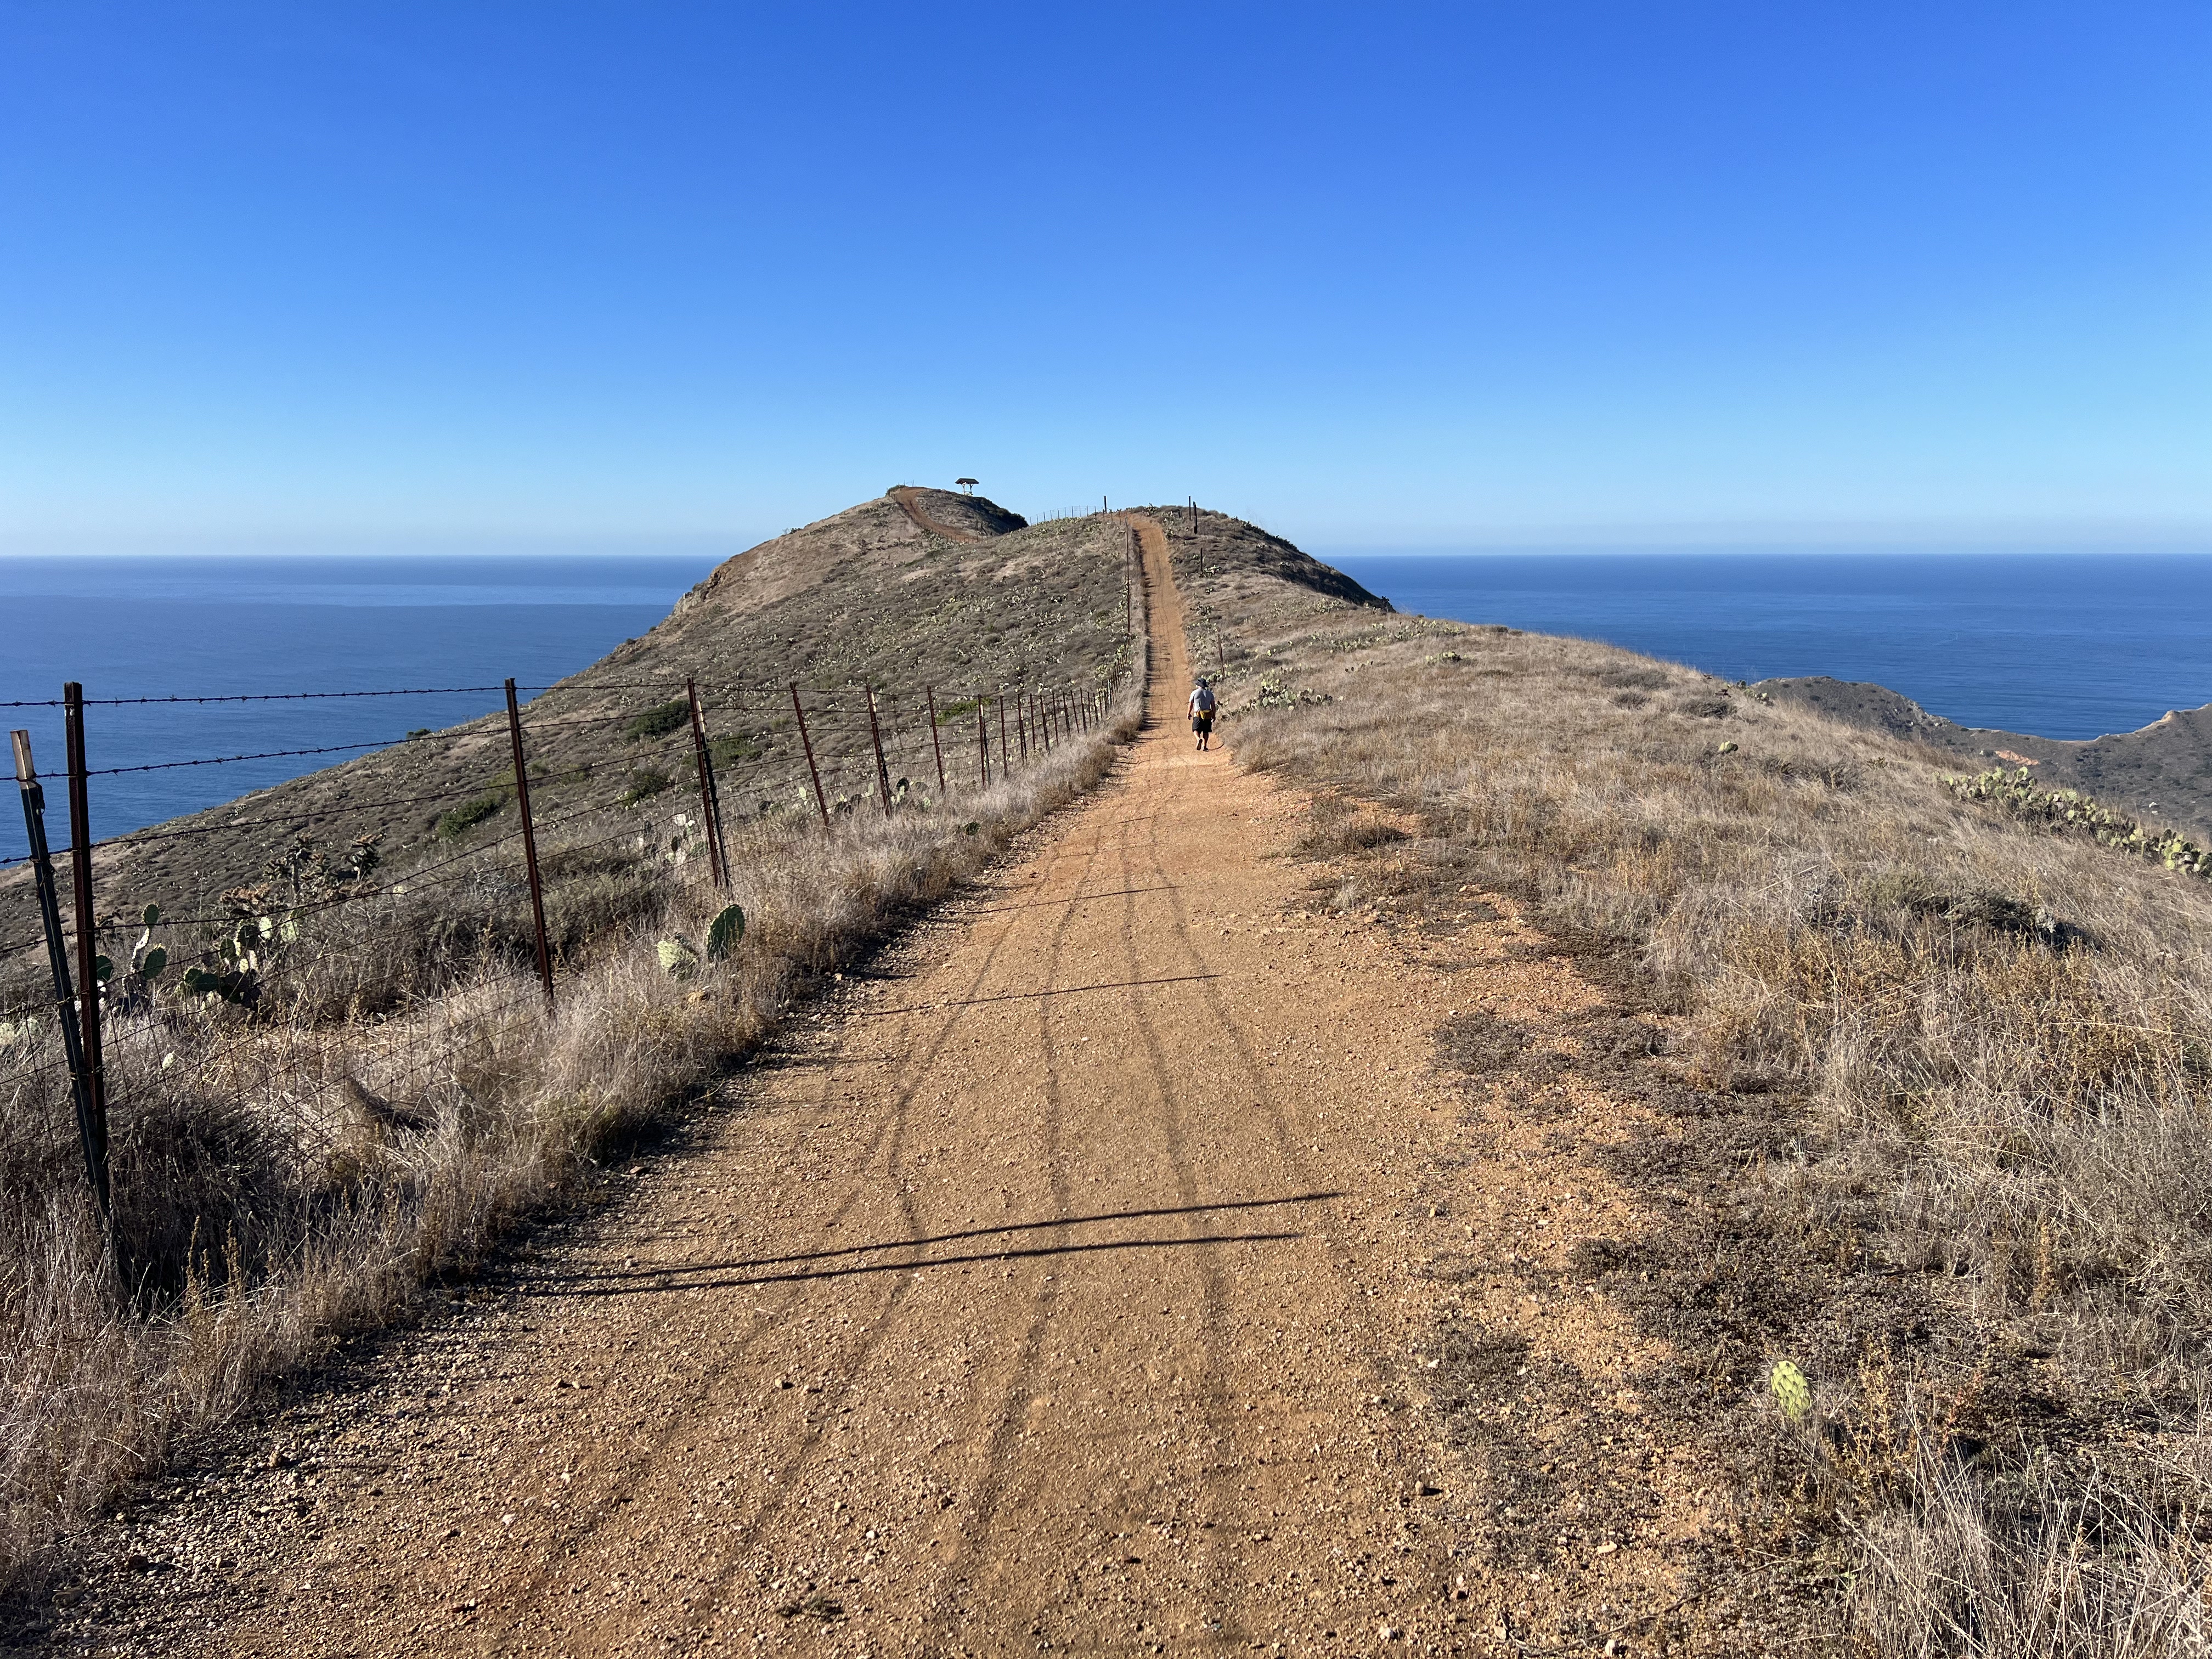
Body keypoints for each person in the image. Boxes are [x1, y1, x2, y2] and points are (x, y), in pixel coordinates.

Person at [1188, 675, 1217, 751]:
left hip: (1198, 714)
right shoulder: (1210, 694)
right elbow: (1213, 705)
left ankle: (1198, 739)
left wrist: (1188, 713)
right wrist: (1214, 715)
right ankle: (1205, 746)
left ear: (1198, 685)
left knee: (1195, 730)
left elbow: (1191, 704)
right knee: (1206, 731)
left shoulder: (1194, 693)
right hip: (1208, 714)